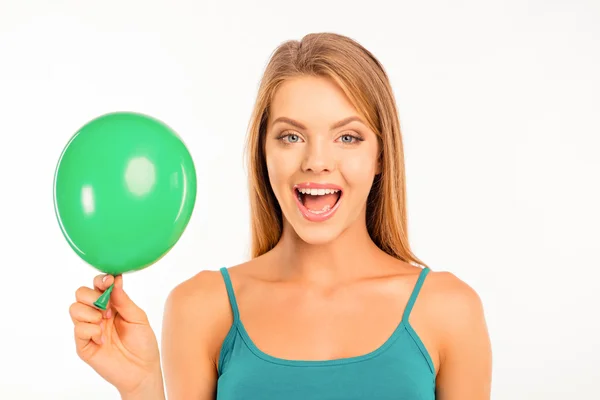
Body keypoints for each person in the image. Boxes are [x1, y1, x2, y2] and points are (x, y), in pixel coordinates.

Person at [69, 32, 492, 399]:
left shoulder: (449, 310)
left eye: (348, 136)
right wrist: (139, 386)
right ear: (263, 153)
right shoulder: (199, 308)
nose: (317, 161)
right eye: (291, 136)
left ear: (380, 155)